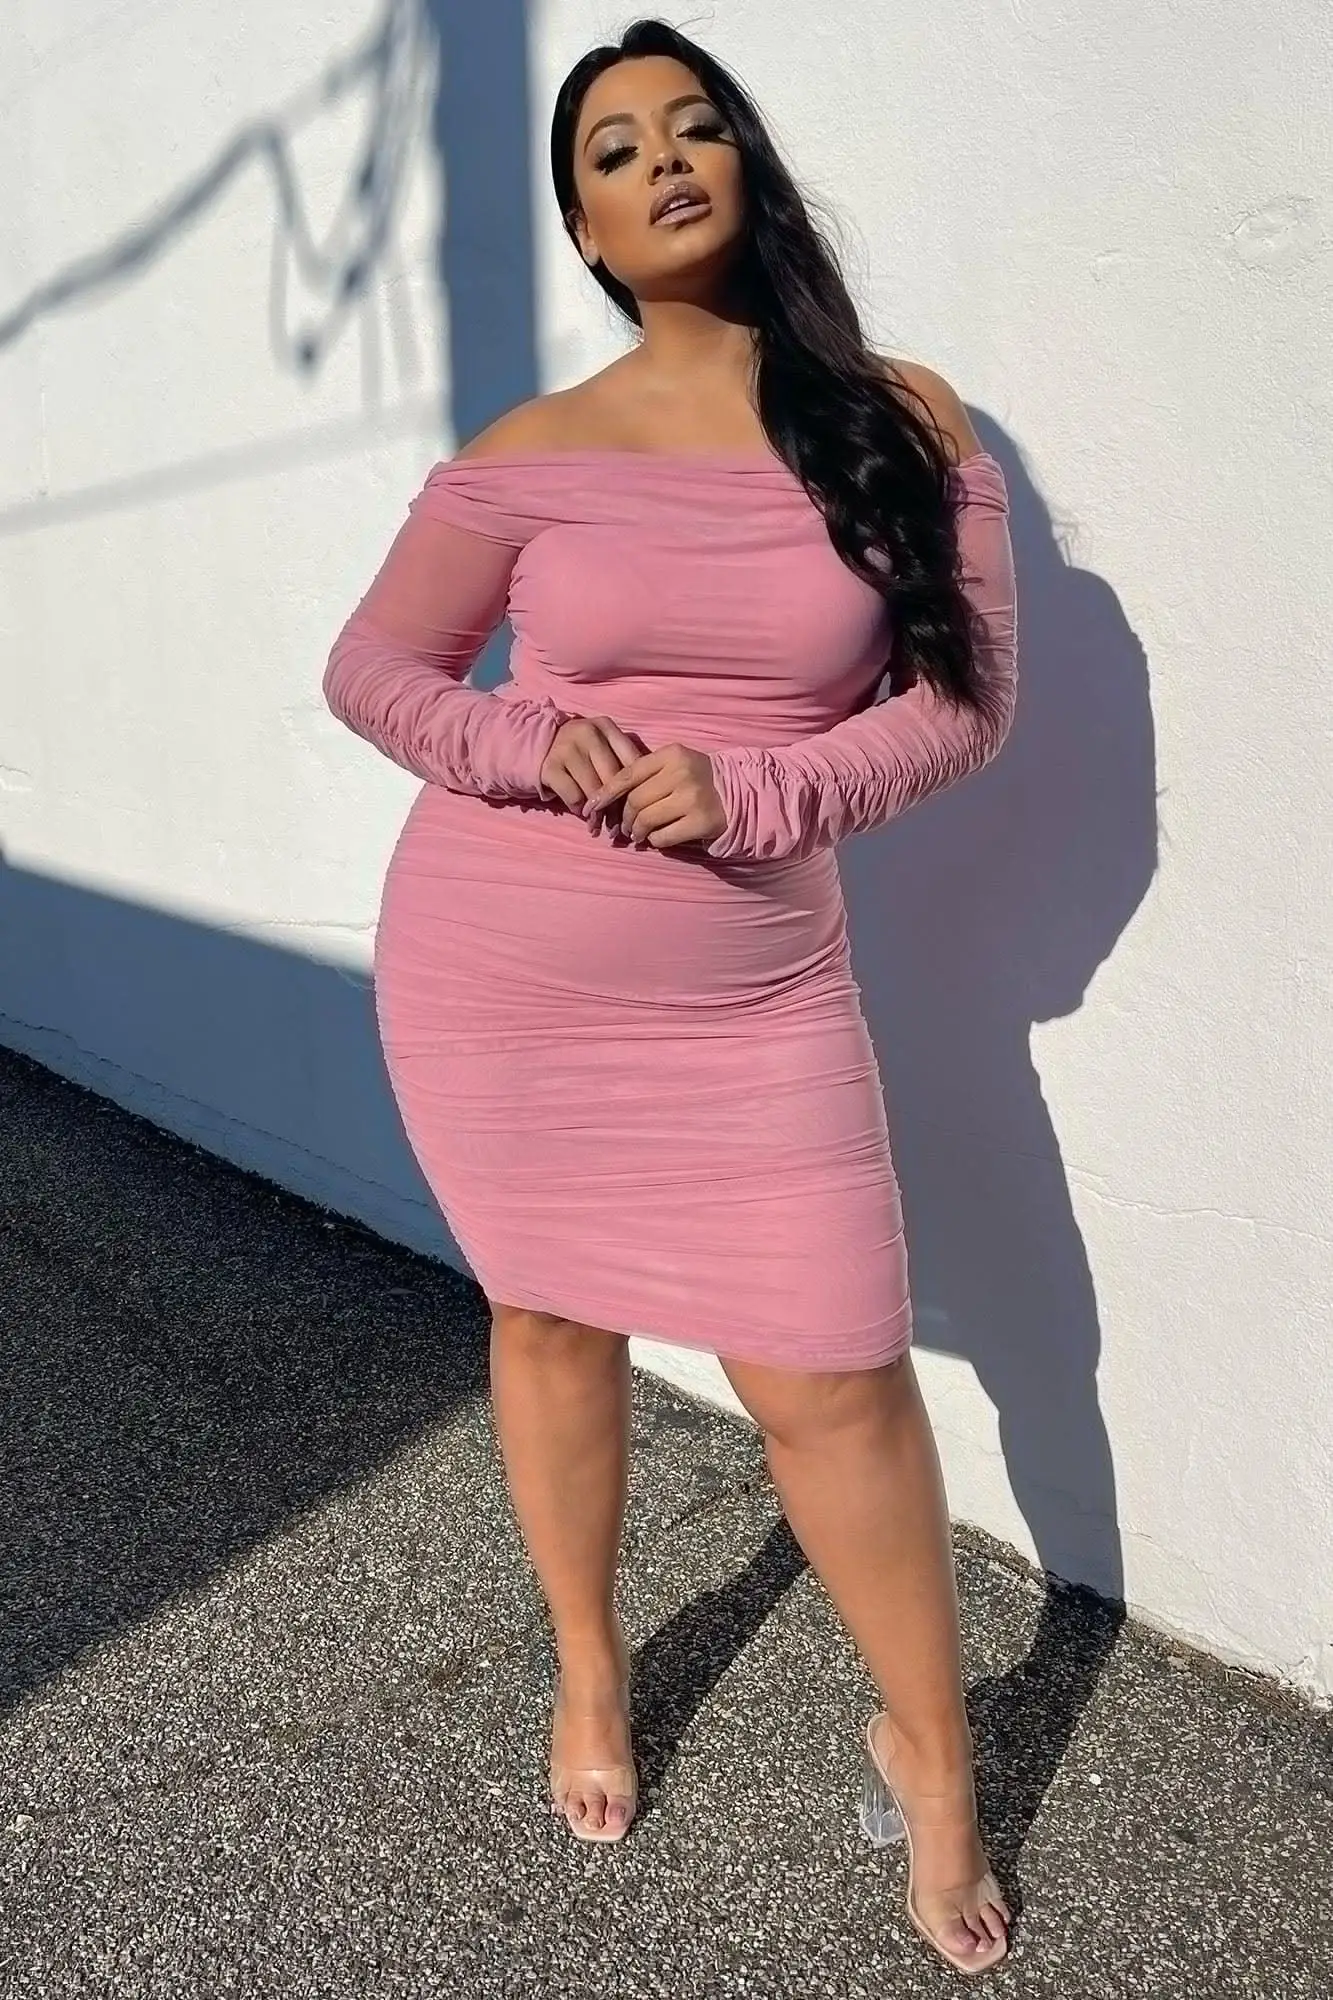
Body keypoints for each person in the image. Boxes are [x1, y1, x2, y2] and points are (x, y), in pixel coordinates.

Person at [323, 17, 1017, 1978]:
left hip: (755, 992)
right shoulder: (528, 452)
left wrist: (760, 793)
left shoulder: (898, 419)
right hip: (497, 972)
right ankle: (589, 1659)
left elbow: (964, 706)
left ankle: (934, 1758)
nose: (663, 161)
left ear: (747, 162)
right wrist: (519, 742)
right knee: (550, 1319)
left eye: (692, 124)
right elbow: (375, 671)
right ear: (586, 227)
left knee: (835, 1374)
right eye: (615, 151)